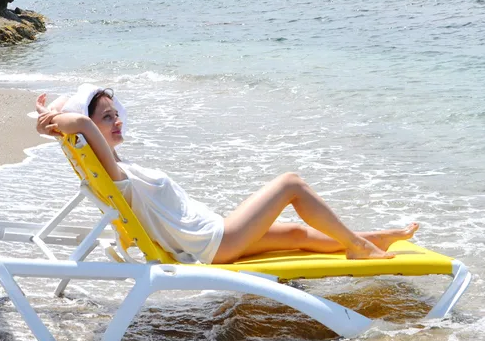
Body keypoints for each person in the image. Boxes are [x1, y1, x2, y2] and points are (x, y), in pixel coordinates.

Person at [35, 85, 418, 265]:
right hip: (216, 241)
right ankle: (357, 247)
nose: (117, 120)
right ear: (90, 129)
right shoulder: (114, 172)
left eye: (116, 113)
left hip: (213, 237)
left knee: (299, 235)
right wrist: (50, 121)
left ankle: (374, 239)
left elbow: (81, 123)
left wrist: (50, 116)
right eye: (108, 117)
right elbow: (80, 121)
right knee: (291, 183)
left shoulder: (115, 169)